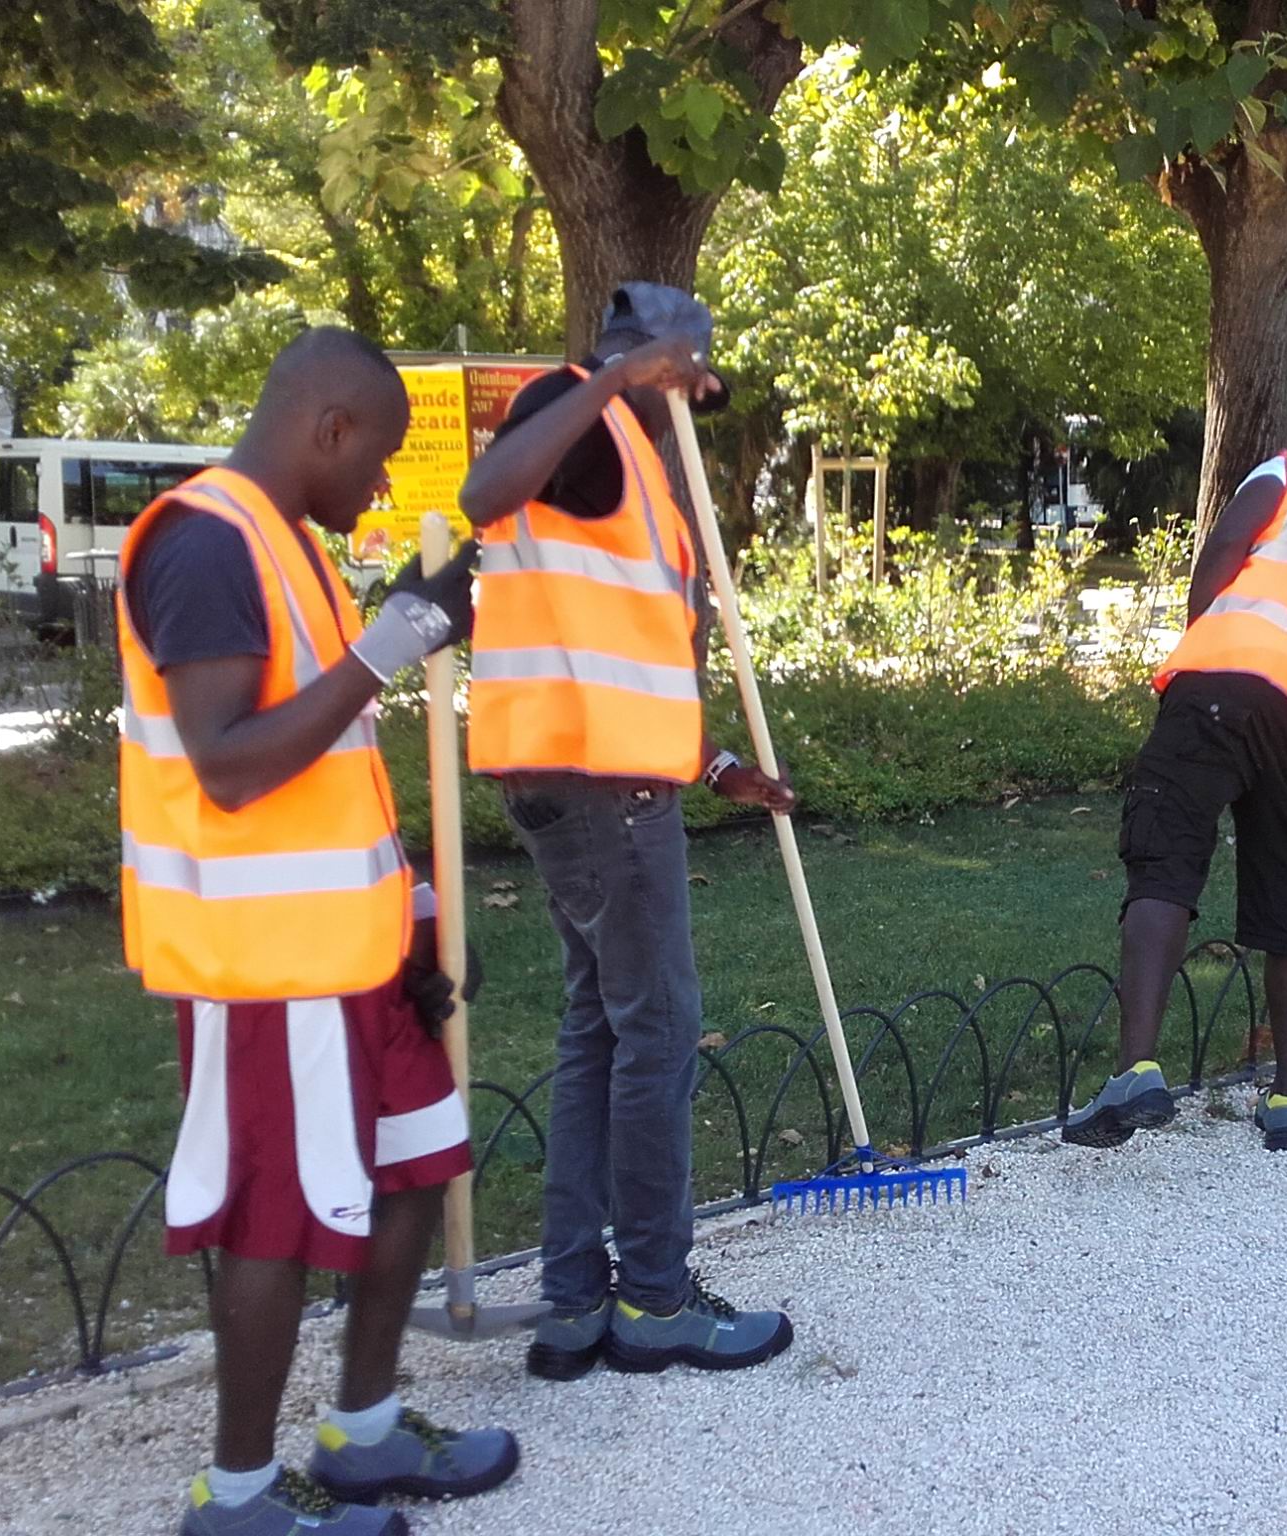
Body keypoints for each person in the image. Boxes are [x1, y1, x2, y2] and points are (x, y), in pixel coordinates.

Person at [117, 327, 516, 1536]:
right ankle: (236, 1497)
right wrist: (390, 643)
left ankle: (364, 1432)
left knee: (414, 1165)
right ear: (328, 429)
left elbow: (333, 763)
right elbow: (233, 766)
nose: (386, 485)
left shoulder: (287, 541)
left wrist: (421, 914)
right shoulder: (201, 544)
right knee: (276, 1221)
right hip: (266, 967)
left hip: (354, 951)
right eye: (379, 459)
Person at [457, 282, 798, 1381]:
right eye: (688, 371)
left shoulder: (627, 460)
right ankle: (653, 1300)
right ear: (650, 356)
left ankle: (572, 1304)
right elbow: (481, 495)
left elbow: (615, 656)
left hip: (586, 777)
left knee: (598, 1032)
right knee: (657, 1034)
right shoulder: (575, 410)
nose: (696, 395)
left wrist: (717, 766)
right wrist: (612, 377)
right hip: (603, 796)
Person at [1062, 453, 1287, 1155]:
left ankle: (1136, 1071)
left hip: (1223, 680)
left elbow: (1225, 549)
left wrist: (1200, 650)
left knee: (1164, 853)